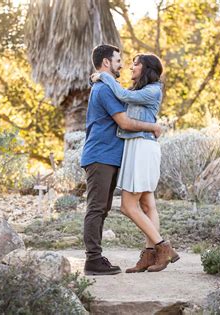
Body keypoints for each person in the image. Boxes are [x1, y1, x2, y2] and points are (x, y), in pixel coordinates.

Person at [90, 53, 179, 273]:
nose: (131, 67)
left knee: (128, 206)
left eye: (135, 64)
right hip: (136, 147)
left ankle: (162, 247)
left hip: (142, 146)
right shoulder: (138, 91)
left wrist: (102, 76)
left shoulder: (153, 90)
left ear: (147, 68)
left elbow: (119, 94)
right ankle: (149, 257)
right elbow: (121, 98)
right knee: (148, 205)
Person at [81, 44, 162, 276]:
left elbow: (128, 98)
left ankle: (101, 258)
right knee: (97, 208)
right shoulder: (105, 88)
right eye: (118, 60)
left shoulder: (108, 86)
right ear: (106, 62)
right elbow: (125, 123)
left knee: (102, 208)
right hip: (101, 156)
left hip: (109, 156)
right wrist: (153, 127)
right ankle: (93, 260)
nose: (122, 65)